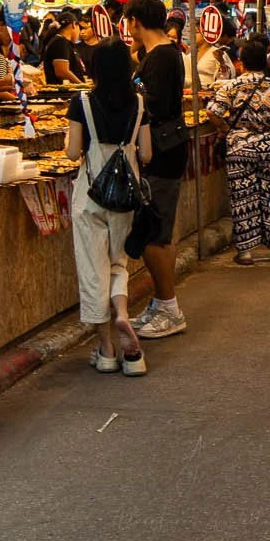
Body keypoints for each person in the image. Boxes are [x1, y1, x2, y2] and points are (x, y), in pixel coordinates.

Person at [66, 39, 152, 374]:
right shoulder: (140, 104)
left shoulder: (82, 102)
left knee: (93, 270)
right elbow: (145, 155)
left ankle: (105, 350)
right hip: (124, 199)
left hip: (89, 198)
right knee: (118, 264)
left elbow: (73, 153)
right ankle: (123, 317)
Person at [126, 0, 191, 340]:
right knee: (154, 230)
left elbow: (156, 106)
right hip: (160, 150)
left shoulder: (163, 56)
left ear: (135, 20)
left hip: (162, 152)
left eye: (128, 22)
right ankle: (160, 302)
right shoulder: (157, 54)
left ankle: (170, 307)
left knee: (156, 234)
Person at [208, 41, 270, 265]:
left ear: (242, 62)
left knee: (242, 198)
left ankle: (246, 253)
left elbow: (213, 111)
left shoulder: (231, 86)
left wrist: (226, 129)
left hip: (239, 148)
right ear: (264, 61)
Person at [40, 9, 85, 85]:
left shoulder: (64, 42)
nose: (80, 32)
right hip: (64, 93)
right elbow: (62, 72)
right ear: (74, 24)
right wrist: (82, 85)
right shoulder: (60, 42)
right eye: (79, 27)